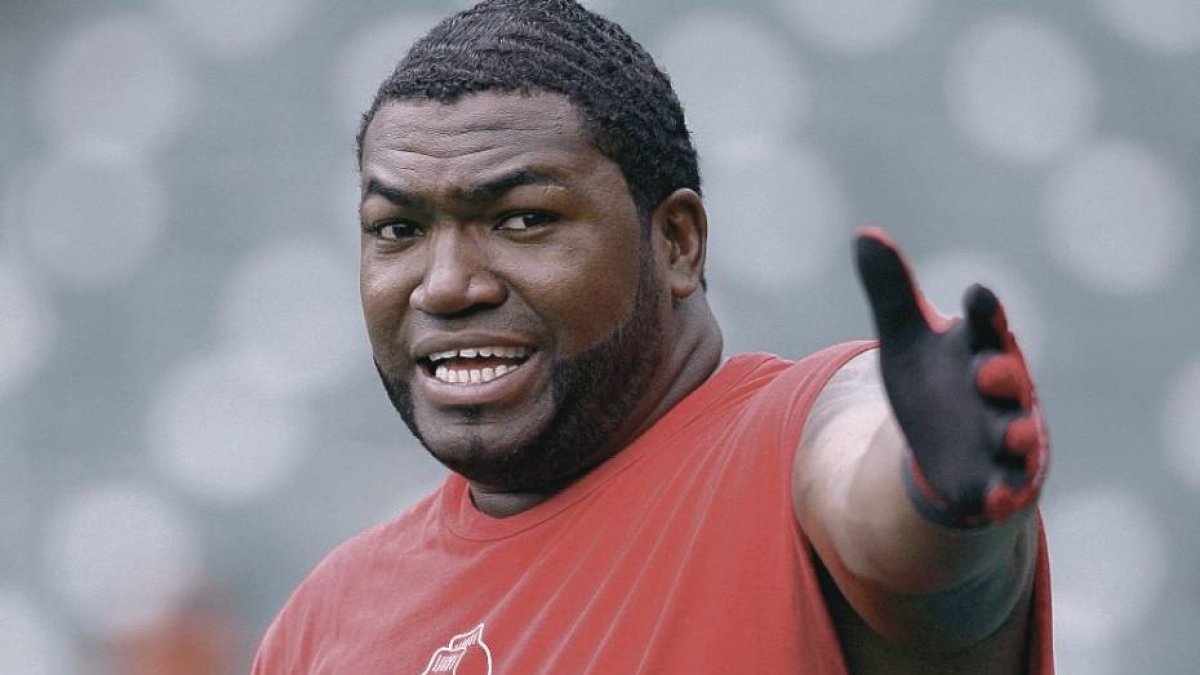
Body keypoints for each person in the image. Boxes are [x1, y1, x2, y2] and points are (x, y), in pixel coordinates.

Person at [253, 0, 1053, 672]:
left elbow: (876, 494)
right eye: (398, 228)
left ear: (675, 242)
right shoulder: (322, 625)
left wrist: (929, 492)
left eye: (523, 219)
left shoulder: (783, 445)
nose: (447, 283)